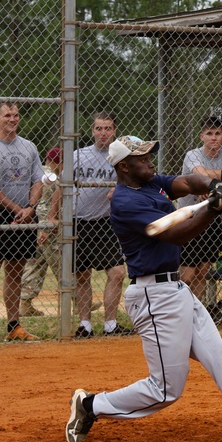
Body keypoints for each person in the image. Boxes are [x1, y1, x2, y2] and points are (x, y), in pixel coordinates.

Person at [65, 135, 222, 442]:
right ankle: (91, 405)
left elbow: (184, 181)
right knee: (165, 390)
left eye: (150, 155)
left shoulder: (151, 182)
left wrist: (210, 184)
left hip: (176, 291)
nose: (150, 161)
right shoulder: (125, 202)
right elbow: (175, 234)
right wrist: (212, 207)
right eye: (142, 158)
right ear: (124, 166)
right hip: (153, 297)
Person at [0, 102, 43, 342]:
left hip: (25, 214)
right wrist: (17, 208)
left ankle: (13, 326)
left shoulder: (28, 146)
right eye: (7, 115)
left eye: (16, 114)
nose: (12, 119)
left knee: (16, 271)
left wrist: (30, 207)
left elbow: (38, 180)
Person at [67, 113, 130, 338]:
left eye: (108, 128)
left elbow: (131, 183)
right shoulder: (78, 155)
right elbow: (61, 187)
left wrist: (119, 190)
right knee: (82, 275)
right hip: (79, 222)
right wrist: (54, 217)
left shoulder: (120, 157)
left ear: (115, 132)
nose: (103, 133)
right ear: (92, 131)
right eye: (99, 128)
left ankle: (110, 324)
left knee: (117, 272)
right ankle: (85, 325)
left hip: (106, 223)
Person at [178, 117, 222, 313]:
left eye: (217, 133)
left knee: (203, 272)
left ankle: (194, 313)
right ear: (202, 136)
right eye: (209, 134)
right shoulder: (192, 155)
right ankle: (180, 310)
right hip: (190, 218)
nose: (213, 138)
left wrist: (214, 175)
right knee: (187, 275)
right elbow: (201, 175)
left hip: (210, 218)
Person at [19, 146, 63, 317]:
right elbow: (43, 205)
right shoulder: (52, 177)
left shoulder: (36, 172)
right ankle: (76, 297)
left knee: (36, 263)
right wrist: (45, 229)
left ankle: (25, 302)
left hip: (34, 225)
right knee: (62, 262)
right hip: (45, 228)